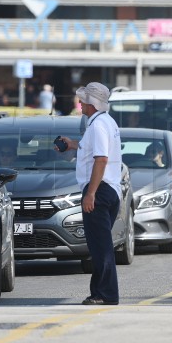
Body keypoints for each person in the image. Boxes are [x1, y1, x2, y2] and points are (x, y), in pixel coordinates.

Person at [56, 82, 122, 306]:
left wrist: (90, 193)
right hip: (107, 189)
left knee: (101, 247)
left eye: (83, 100)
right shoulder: (103, 122)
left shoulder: (98, 126)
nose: (80, 104)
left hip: (100, 190)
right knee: (98, 246)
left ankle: (106, 294)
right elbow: (93, 150)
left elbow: (101, 159)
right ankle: (101, 292)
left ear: (92, 103)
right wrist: (73, 145)